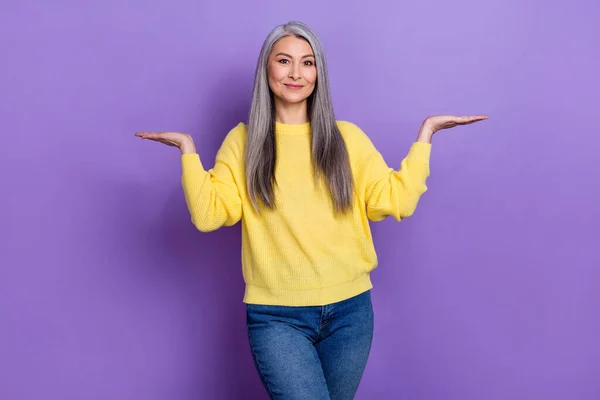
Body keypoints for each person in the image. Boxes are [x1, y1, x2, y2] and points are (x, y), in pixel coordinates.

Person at [136, 20, 487, 400]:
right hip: (277, 318)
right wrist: (189, 152)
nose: (295, 73)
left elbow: (395, 200)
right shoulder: (244, 142)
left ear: (318, 73)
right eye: (284, 61)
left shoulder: (346, 139)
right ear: (266, 69)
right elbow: (209, 215)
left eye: (307, 63)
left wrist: (425, 137)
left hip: (350, 314)